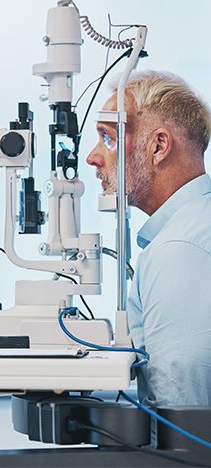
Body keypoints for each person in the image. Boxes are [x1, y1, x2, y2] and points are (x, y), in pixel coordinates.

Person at [86, 71, 211, 413]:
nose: (93, 157)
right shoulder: (191, 227)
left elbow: (184, 420)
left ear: (158, 146)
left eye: (108, 138)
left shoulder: (181, 248)